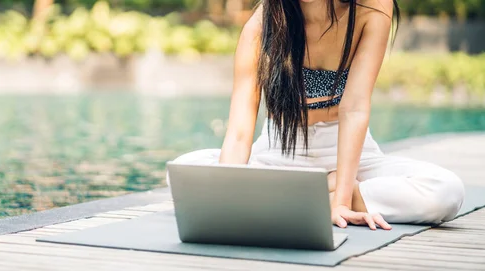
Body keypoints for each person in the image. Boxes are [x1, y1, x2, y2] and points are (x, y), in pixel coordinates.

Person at [169, 0, 465, 230]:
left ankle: (316, 192)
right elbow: (239, 132)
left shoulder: (371, 7)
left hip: (352, 157)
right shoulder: (261, 26)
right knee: (184, 171)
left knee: (446, 191)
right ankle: (315, 191)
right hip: (277, 154)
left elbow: (355, 108)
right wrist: (223, 195)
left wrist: (342, 200)